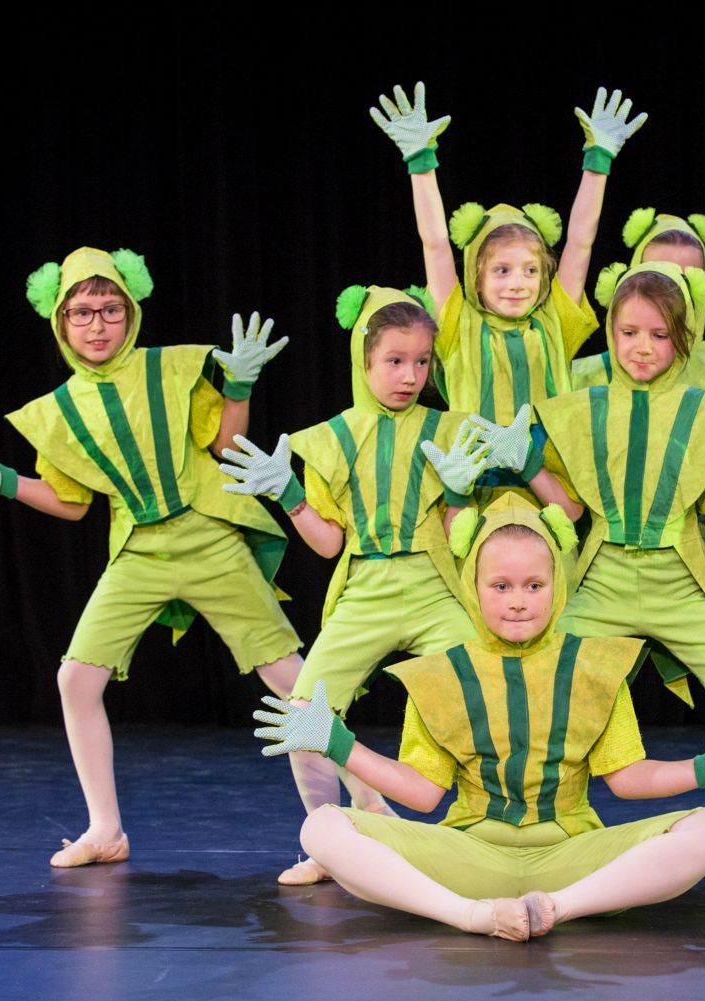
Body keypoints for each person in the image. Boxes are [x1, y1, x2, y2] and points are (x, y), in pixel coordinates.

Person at [253, 495, 705, 941]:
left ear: (557, 586)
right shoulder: (442, 673)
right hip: (469, 852)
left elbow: (628, 779)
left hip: (568, 852)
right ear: (474, 587)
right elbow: (421, 794)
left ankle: (557, 907)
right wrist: (338, 743)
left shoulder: (593, 666)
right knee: (322, 824)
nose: (517, 602)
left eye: (534, 586)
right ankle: (469, 915)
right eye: (501, 586)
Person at [0, 246, 310, 868]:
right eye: (81, 312)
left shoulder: (172, 369)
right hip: (138, 549)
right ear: (60, 322)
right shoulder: (58, 412)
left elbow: (224, 444)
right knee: (77, 679)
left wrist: (237, 385)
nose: (97, 324)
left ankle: (361, 819)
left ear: (130, 311)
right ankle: (105, 829)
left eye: (109, 309)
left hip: (208, 534)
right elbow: (71, 502)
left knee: (291, 679)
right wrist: (2, 481)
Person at [498, 261, 705, 886]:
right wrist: (524, 464)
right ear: (610, 332)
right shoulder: (583, 408)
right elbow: (571, 509)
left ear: (680, 338)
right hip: (601, 575)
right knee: (535, 692)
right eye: (629, 333)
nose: (642, 347)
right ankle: (533, 836)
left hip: (679, 578)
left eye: (657, 334)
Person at [216, 284, 487, 883]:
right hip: (365, 587)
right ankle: (328, 840)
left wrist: (464, 492)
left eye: (421, 362)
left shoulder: (450, 428)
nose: (410, 375)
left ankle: (486, 833)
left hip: (435, 586)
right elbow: (330, 543)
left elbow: (463, 535)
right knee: (304, 715)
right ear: (363, 361)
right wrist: (288, 495)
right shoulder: (331, 438)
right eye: (394, 360)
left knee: (486, 693)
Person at [371, 81, 644, 429]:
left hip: (550, 480)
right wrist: (420, 161)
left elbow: (579, 243)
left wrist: (598, 161)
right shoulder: (459, 326)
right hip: (478, 480)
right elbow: (436, 245)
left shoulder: (554, 322)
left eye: (530, 271)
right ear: (477, 278)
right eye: (501, 270)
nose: (518, 283)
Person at [571, 208, 705, 676]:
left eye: (686, 276)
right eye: (658, 270)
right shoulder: (584, 377)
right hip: (611, 559)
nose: (671, 285)